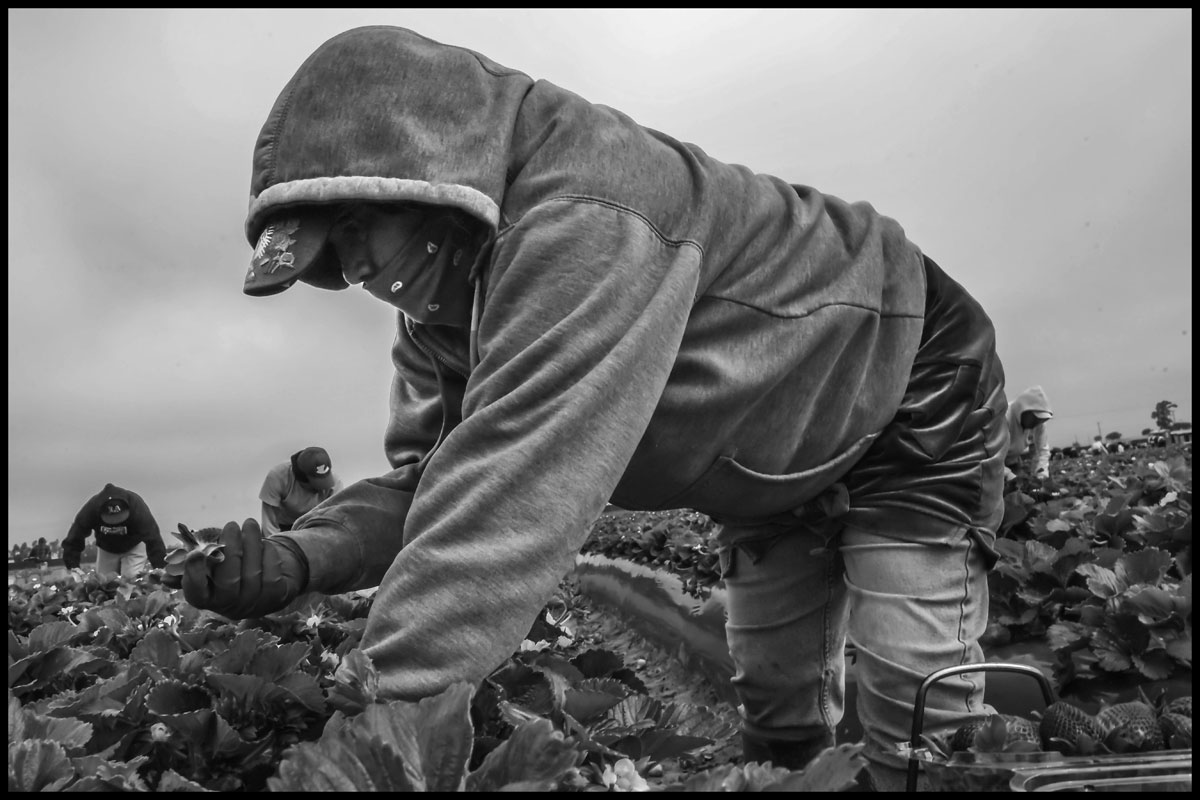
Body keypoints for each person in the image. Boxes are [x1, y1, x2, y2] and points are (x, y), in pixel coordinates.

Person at [183, 26, 1011, 791]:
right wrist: (303, 559)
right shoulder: (443, 316)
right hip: (768, 452)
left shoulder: (587, 215)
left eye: (353, 237)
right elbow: (436, 488)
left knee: (914, 701)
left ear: (423, 172)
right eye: (337, 266)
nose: (359, 275)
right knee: (777, 705)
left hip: (900, 383)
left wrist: (381, 736)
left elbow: (509, 499)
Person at [62, 483, 167, 579]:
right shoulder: (92, 508)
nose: (116, 523)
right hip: (107, 549)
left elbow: (153, 538)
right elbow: (75, 537)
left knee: (131, 578)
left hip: (134, 546)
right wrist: (73, 567)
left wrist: (160, 567)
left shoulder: (137, 506)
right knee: (104, 582)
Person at [259, 446, 344, 535]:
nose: (321, 489)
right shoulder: (277, 477)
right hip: (283, 527)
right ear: (300, 478)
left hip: (314, 527)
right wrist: (275, 545)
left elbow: (336, 521)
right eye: (315, 485)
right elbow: (269, 524)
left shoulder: (335, 484)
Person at [1003, 385, 1054, 482]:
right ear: (1023, 411)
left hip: (1013, 461)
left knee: (1020, 490)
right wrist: (1008, 475)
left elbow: (1043, 450)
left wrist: (1041, 474)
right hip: (991, 465)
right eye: (1035, 418)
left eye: (1040, 420)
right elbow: (991, 455)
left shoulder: (1039, 422)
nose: (1037, 422)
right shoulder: (1003, 417)